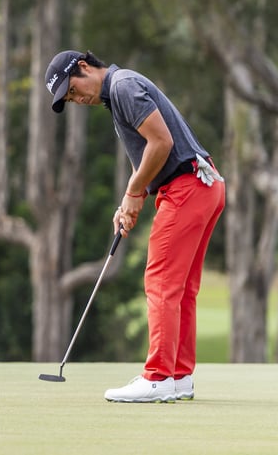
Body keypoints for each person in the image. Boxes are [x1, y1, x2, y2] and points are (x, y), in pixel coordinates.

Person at [44, 49, 226, 403]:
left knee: (161, 283)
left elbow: (162, 143)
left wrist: (133, 190)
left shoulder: (123, 86)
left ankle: (157, 377)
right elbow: (148, 155)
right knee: (182, 289)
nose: (76, 99)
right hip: (205, 185)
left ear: (84, 67)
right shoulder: (118, 92)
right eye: (69, 98)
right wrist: (131, 200)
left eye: (73, 90)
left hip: (187, 187)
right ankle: (178, 376)